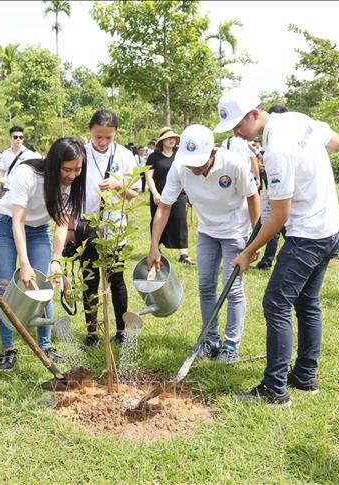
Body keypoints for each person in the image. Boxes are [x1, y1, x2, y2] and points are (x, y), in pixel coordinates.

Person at [213, 87, 339, 406]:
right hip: (332, 227)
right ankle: (304, 376)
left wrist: (248, 251)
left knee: (276, 303)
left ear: (254, 114)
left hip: (308, 235)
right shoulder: (296, 119)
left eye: (237, 125)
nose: (235, 133)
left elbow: (280, 215)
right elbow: (335, 140)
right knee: (308, 302)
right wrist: (306, 170)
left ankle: (274, 390)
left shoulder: (276, 151)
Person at [148, 124, 260, 363]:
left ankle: (231, 345)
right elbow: (164, 207)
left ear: (212, 152)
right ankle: (210, 340)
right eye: (190, 162)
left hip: (235, 232)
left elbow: (252, 196)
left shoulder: (234, 164)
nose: (193, 168)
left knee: (233, 288)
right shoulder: (180, 167)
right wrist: (154, 245)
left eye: (198, 163)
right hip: (207, 231)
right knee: (206, 286)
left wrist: (255, 242)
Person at [0, 137, 87, 371]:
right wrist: (24, 263)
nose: (72, 175)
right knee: (6, 286)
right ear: (54, 164)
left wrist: (56, 259)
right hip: (6, 226)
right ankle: (8, 349)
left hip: (39, 230)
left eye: (78, 169)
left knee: (44, 285)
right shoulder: (27, 173)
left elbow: (62, 224)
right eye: (67, 169)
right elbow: (18, 221)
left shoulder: (72, 183)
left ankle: (45, 346)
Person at [78, 109, 141, 348]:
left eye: (108, 137)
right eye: (98, 137)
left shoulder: (125, 155)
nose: (103, 142)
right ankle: (92, 332)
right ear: (90, 131)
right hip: (88, 226)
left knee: (117, 279)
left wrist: (118, 186)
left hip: (114, 227)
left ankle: (121, 331)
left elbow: (134, 193)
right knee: (90, 279)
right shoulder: (81, 153)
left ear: (116, 134)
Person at [145, 127, 193, 265]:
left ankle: (183, 254)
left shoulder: (180, 155)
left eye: (174, 138)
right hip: (159, 194)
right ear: (162, 141)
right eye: (169, 138)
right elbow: (149, 177)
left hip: (179, 194)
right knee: (157, 220)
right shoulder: (153, 157)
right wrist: (155, 193)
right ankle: (156, 248)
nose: (173, 140)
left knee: (180, 221)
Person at [255, 104, 289, 270]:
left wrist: (249, 250)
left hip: (283, 194)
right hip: (272, 191)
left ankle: (267, 261)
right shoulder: (268, 138)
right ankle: (267, 261)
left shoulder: (280, 141)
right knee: (275, 223)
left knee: (278, 223)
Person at [0, 126, 40, 195]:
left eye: (21, 137)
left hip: (23, 190)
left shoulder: (29, 154)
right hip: (7, 189)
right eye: (15, 137)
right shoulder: (5, 153)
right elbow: (2, 171)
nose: (18, 139)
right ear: (11, 138)